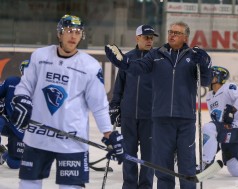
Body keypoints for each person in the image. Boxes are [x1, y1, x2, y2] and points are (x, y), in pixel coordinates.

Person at [10, 14, 124, 189]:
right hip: (37, 136)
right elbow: (25, 86)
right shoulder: (40, 56)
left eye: (78, 32)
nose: (73, 36)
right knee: (28, 184)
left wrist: (108, 134)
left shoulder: (90, 66)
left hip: (72, 141)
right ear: (59, 33)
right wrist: (22, 99)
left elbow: (99, 105)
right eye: (69, 31)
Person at [105, 21, 212, 189]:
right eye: (170, 31)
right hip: (161, 120)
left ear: (185, 37)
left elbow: (206, 81)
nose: (171, 35)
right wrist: (123, 63)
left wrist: (205, 64)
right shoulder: (156, 55)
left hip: (185, 120)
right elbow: (137, 67)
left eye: (176, 33)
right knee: (162, 167)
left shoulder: (193, 57)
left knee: (187, 164)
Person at [109, 24, 158, 189]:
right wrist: (115, 106)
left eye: (151, 38)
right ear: (137, 38)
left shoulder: (158, 60)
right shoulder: (127, 59)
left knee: (148, 157)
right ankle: (129, 185)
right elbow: (119, 87)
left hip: (150, 117)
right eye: (146, 37)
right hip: (128, 116)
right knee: (128, 154)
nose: (149, 41)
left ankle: (145, 186)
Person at [0, 60, 29, 169]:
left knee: (14, 163)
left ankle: (3, 152)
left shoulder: (40, 90)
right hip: (6, 122)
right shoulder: (11, 82)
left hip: (21, 129)